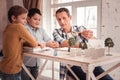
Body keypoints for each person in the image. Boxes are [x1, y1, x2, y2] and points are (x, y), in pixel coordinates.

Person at [53, 7, 113, 80]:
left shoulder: (80, 28)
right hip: (71, 65)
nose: (62, 22)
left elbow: (94, 41)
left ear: (70, 17)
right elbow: (63, 43)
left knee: (105, 77)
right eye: (59, 19)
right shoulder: (56, 32)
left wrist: (90, 36)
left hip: (88, 62)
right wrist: (83, 44)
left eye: (64, 18)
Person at [0, 5, 40, 80]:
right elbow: (34, 44)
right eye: (23, 18)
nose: (25, 21)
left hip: (3, 67)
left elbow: (16, 42)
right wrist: (37, 43)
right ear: (14, 18)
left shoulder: (7, 28)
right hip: (13, 69)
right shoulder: (19, 27)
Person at [21, 8, 59, 80]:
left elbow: (48, 40)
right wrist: (46, 44)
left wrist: (54, 43)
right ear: (28, 19)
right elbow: (32, 43)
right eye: (35, 19)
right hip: (26, 63)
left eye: (39, 20)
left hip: (37, 63)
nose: (38, 22)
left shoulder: (41, 30)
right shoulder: (24, 29)